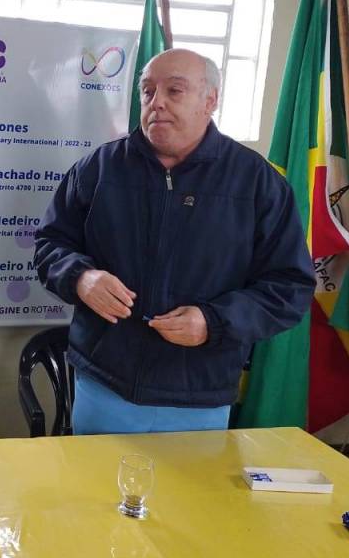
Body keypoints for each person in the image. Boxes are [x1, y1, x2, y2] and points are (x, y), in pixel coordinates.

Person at [34, 48, 313, 434]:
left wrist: (213, 322)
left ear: (210, 100)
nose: (157, 103)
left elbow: (290, 287)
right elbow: (50, 246)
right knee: (94, 477)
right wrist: (81, 278)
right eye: (148, 91)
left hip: (199, 394)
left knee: (189, 478)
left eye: (174, 91)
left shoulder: (257, 183)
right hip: (105, 386)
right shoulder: (99, 169)